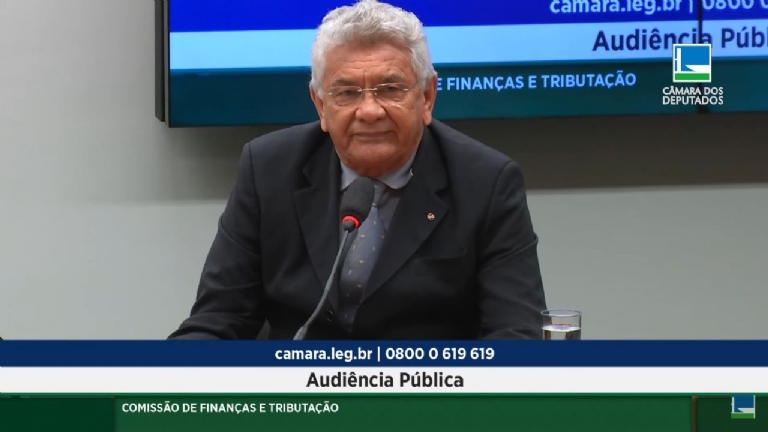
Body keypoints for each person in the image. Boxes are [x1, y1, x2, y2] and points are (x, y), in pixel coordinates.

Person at [169, 0, 546, 340]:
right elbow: (217, 320)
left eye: (390, 89)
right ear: (320, 105)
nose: (369, 111)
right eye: (347, 93)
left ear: (427, 97)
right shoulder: (268, 168)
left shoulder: (486, 181)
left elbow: (516, 334)